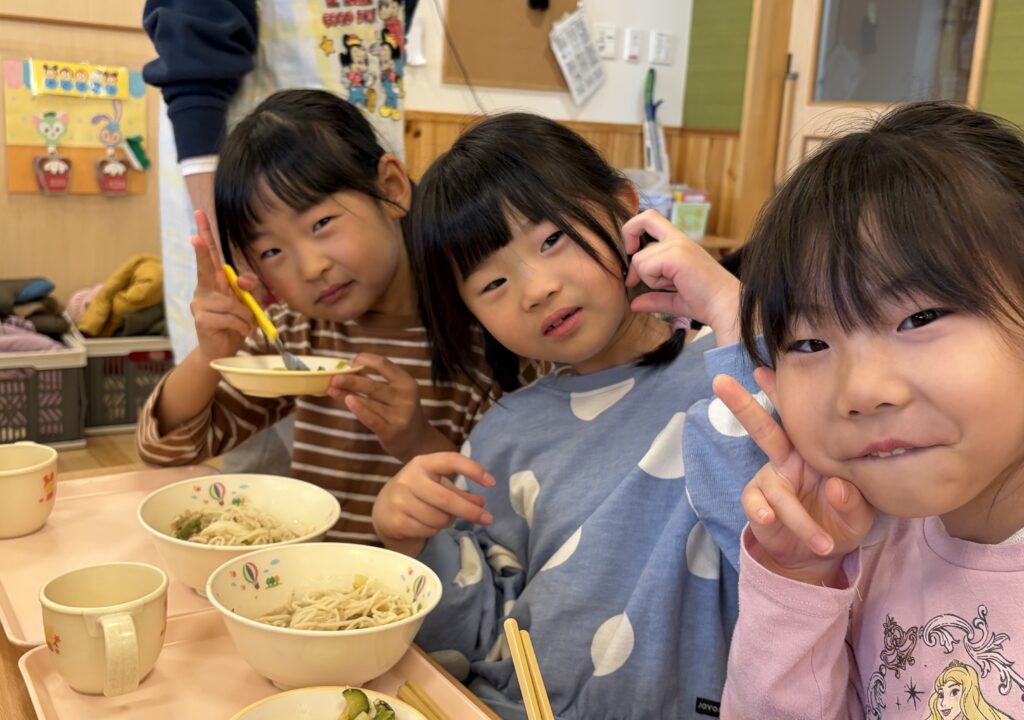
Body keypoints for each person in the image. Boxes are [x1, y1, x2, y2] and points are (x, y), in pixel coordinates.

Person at [372, 113, 762, 719]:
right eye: (492, 283)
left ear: (626, 210)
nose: (536, 289)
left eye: (552, 239)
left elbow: (794, 529)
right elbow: (472, 642)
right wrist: (417, 546)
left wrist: (735, 316)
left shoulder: (737, 365)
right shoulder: (506, 432)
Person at [704, 101, 1024, 719]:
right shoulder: (862, 548)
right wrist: (802, 575)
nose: (862, 391)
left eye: (919, 317)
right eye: (810, 344)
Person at [135, 89, 505, 544]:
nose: (311, 268)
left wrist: (416, 440)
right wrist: (208, 354)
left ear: (390, 189)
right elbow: (166, 448)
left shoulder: (491, 329)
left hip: (442, 583)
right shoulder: (297, 334)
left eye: (321, 224)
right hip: (313, 580)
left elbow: (511, 508)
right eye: (272, 251)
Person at [142, 0, 418, 360]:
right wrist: (225, 245)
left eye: (321, 224)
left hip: (362, 202)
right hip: (238, 203)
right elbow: (194, 62)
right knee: (246, 364)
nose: (313, 268)